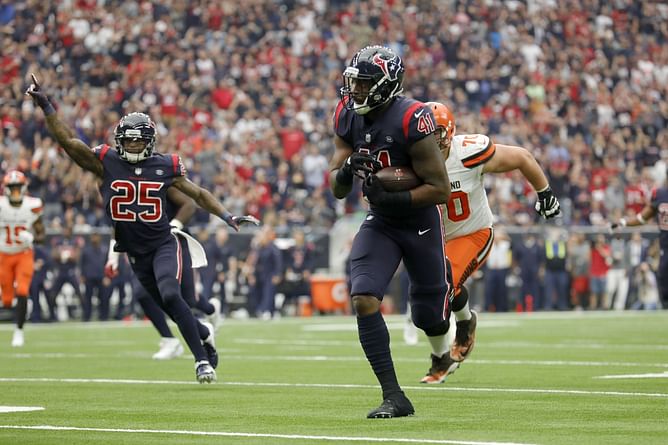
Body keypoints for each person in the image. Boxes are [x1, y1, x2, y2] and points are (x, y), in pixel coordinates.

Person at [27, 74, 259, 383]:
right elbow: (69, 143)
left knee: (171, 294)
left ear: (149, 140)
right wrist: (46, 106)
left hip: (164, 244)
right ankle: (203, 331)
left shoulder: (165, 166)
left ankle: (201, 360)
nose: (134, 144)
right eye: (129, 139)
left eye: (139, 139)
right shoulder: (106, 162)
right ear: (119, 140)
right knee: (166, 305)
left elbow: (198, 194)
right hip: (133, 252)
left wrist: (228, 216)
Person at [330, 46, 452, 418]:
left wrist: (397, 197)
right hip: (380, 221)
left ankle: (448, 320)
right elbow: (336, 186)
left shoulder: (411, 117)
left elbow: (440, 189)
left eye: (364, 84)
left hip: (417, 221)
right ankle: (394, 395)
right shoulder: (347, 114)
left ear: (386, 85)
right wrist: (349, 168)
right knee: (363, 296)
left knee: (429, 317)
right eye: (354, 83)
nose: (356, 92)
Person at [415, 102, 561, 383]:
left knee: (442, 285)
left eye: (436, 134)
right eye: (425, 133)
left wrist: (545, 193)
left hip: (473, 232)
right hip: (437, 237)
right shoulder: (411, 158)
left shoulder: (467, 153)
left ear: (449, 133)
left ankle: (442, 355)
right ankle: (465, 321)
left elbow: (522, 157)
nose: (430, 140)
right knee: (431, 290)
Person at [105, 187, 223, 360]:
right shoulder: (122, 176)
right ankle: (169, 339)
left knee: (185, 300)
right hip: (142, 247)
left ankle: (210, 310)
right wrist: (113, 255)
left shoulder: (160, 172)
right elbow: (118, 219)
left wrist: (173, 226)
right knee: (141, 293)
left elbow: (189, 204)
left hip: (170, 241)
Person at [0, 170, 45, 347]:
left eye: (19, 188)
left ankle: (19, 331)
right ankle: (16, 310)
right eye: (13, 188)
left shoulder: (32, 205)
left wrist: (32, 238)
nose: (16, 192)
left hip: (24, 254)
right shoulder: (2, 206)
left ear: (24, 188)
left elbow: (43, 235)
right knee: (8, 300)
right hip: (3, 254)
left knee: (23, 290)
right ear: (7, 189)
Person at [610, 183, 668, 307]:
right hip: (666, 247)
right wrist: (623, 222)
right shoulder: (660, 194)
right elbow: (642, 218)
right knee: (663, 279)